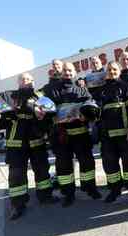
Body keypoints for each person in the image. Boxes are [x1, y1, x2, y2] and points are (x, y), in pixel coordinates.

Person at [0, 73, 59, 220]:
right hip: (16, 144)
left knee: (42, 171)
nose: (27, 82)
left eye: (29, 80)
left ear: (33, 82)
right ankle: (17, 205)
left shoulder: (40, 96)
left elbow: (52, 113)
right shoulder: (8, 96)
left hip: (37, 141)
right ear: (18, 83)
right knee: (16, 176)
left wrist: (44, 117)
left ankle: (45, 196)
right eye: (23, 80)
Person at [40, 62, 101, 207]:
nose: (67, 73)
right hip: (62, 136)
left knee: (87, 163)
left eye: (70, 70)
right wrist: (50, 116)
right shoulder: (51, 90)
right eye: (65, 71)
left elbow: (90, 106)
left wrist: (85, 116)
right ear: (61, 73)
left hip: (81, 134)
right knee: (63, 167)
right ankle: (68, 193)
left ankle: (90, 188)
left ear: (75, 72)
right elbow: (45, 110)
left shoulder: (82, 90)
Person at [99, 61, 128, 203]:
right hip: (107, 135)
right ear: (106, 72)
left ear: (119, 70)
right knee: (110, 164)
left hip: (125, 133)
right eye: (109, 70)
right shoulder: (102, 89)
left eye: (115, 69)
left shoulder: (126, 86)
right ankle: (115, 190)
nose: (112, 72)